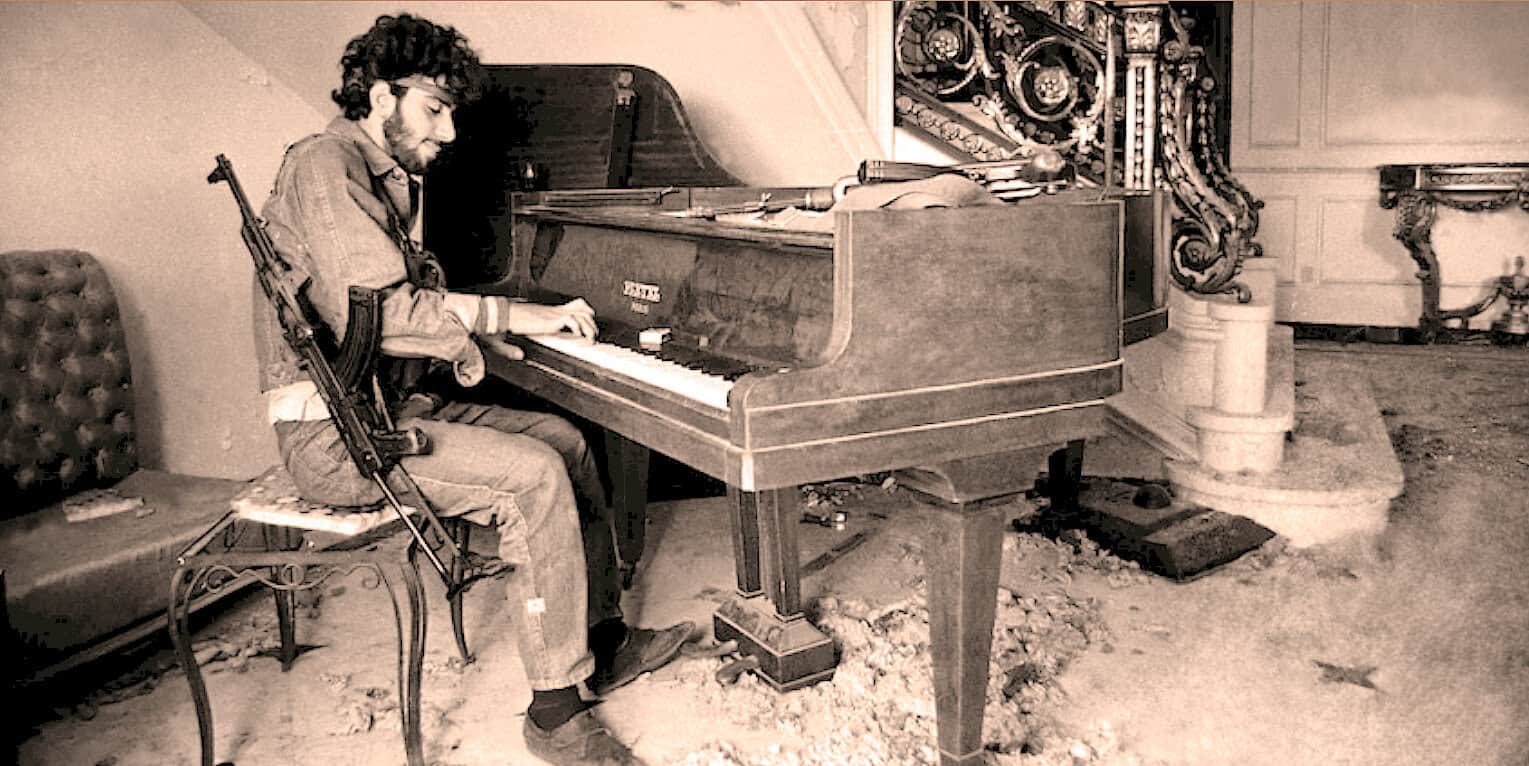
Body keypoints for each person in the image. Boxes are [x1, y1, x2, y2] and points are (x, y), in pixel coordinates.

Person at [250, 13, 690, 765]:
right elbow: (384, 315)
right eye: (434, 108)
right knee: (532, 479)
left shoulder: (376, 174)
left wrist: (513, 324)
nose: (449, 132)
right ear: (379, 96)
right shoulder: (327, 166)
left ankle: (602, 639)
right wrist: (516, 315)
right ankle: (553, 711)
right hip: (337, 439)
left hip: (391, 409)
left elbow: (402, 308)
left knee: (563, 441)